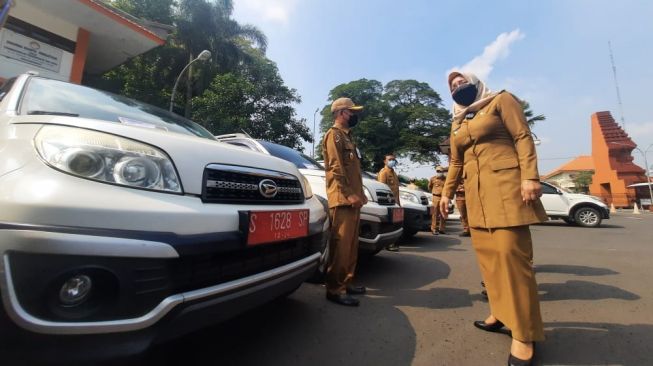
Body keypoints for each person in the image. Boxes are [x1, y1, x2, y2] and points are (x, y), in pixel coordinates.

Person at [439, 71, 548, 366]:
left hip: (506, 190)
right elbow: (456, 160)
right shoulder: (458, 121)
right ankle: (500, 313)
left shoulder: (501, 100)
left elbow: (522, 136)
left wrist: (530, 177)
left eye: (462, 82)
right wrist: (447, 193)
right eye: (452, 86)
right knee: (489, 263)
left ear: (476, 83)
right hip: (476, 198)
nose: (457, 87)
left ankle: (524, 335)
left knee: (512, 262)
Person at [322, 97, 368, 307]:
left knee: (351, 245)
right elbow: (335, 168)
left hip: (354, 200)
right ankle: (334, 289)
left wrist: (360, 194)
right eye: (352, 112)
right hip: (343, 199)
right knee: (341, 245)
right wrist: (349, 194)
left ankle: (347, 282)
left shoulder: (348, 137)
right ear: (342, 112)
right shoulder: (334, 136)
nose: (354, 115)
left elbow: (354, 171)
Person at [378, 153, 401, 251]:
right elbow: (382, 188)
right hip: (388, 203)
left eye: (393, 159)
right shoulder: (384, 172)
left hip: (395, 202)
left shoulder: (393, 172)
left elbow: (396, 189)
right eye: (390, 159)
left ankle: (392, 243)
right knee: (390, 225)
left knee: (395, 224)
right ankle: (389, 244)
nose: (392, 161)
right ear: (385, 161)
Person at [428, 166, 447, 235]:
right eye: (437, 171)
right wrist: (434, 193)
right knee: (435, 214)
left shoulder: (446, 179)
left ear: (443, 172)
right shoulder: (432, 179)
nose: (439, 172)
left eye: (440, 171)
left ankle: (442, 229)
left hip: (444, 198)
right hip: (436, 197)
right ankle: (434, 229)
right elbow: (429, 187)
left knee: (443, 213)